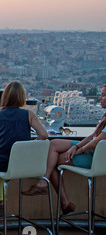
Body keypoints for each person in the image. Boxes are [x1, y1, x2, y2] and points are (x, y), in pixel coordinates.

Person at [23, 84, 106, 214]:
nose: (100, 98)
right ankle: (45, 185)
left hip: (96, 159)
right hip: (92, 152)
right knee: (54, 144)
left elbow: (97, 142)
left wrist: (77, 150)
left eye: (103, 95)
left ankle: (63, 200)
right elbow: (93, 136)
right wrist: (77, 146)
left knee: (53, 162)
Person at [0, 81, 48, 215]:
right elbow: (44, 134)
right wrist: (30, 146)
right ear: (22, 97)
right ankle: (1, 201)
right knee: (8, 162)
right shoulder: (29, 115)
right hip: (22, 164)